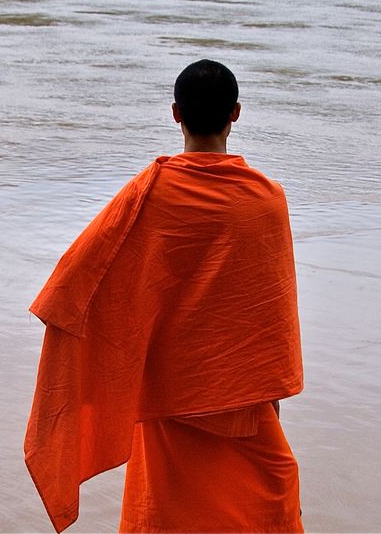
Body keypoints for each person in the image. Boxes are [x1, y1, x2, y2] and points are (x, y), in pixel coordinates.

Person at [24, 60, 304, 533]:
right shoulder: (265, 199)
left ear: (176, 114)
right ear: (236, 113)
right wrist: (266, 391)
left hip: (170, 390)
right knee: (264, 509)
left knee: (170, 513)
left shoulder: (150, 195)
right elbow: (268, 313)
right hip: (243, 400)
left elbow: (76, 286)